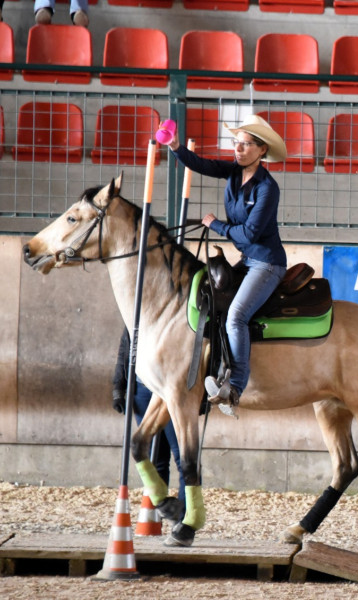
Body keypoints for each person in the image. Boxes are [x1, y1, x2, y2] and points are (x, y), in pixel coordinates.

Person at [163, 114, 288, 413]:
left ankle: (235, 388)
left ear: (261, 150)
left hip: (267, 263)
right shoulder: (233, 172)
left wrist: (215, 224)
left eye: (246, 145)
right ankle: (219, 372)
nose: (238, 149)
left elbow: (250, 232)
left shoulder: (267, 188)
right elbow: (201, 164)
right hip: (248, 259)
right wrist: (176, 146)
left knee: (236, 317)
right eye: (236, 143)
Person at [112, 328, 185, 522]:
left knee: (182, 455)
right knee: (155, 457)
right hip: (142, 389)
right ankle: (159, 514)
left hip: (168, 390)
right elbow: (125, 348)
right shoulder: (136, 317)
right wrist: (118, 387)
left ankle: (183, 518)